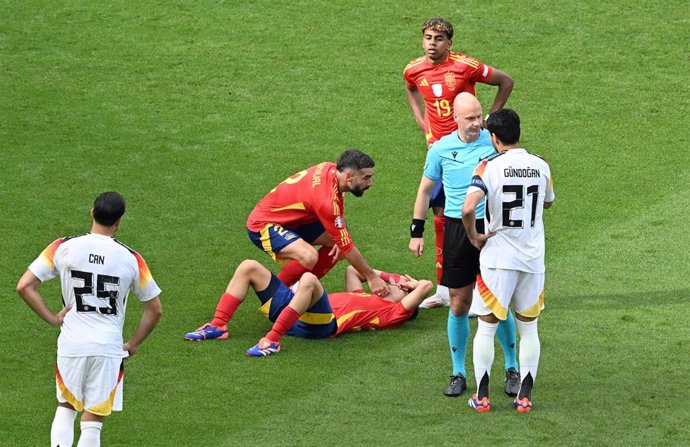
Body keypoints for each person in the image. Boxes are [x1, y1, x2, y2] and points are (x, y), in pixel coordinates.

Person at [16, 192, 163, 447]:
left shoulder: (63, 246)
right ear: (119, 221)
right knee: (93, 421)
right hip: (108, 348)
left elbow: (24, 286)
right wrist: (134, 344)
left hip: (72, 344)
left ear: (92, 213)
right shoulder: (132, 259)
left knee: (65, 407)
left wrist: (53, 318)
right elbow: (155, 310)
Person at [408, 92, 519, 398]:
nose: (476, 123)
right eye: (469, 118)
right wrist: (417, 231)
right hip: (458, 229)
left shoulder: (493, 142)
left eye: (478, 116)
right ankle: (458, 372)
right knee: (459, 303)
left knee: (498, 300)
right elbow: (425, 191)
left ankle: (512, 367)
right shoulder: (441, 150)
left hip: (491, 229)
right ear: (454, 118)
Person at [404, 17, 514, 308]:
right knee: (443, 218)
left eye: (438, 39)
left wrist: (489, 120)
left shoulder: (466, 66)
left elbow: (505, 81)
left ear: (449, 43)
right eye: (428, 37)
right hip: (442, 154)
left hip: (472, 151)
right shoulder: (414, 70)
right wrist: (422, 122)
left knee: (479, 213)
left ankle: (483, 286)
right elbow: (410, 88)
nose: (431, 43)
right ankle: (445, 286)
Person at [462, 109, 555, 413]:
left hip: (498, 260)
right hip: (532, 260)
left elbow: (467, 209)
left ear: (494, 137)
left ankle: (482, 396)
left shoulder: (487, 167)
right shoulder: (541, 165)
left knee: (487, 328)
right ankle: (524, 397)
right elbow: (548, 202)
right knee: (529, 329)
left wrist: (474, 235)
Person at [183, 261, 433, 355]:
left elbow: (427, 285)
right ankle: (218, 325)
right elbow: (351, 269)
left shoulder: (393, 314)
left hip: (322, 326)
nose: (396, 284)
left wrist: (409, 284)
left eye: (403, 289)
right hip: (297, 311)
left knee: (309, 280)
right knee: (249, 267)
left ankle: (272, 339)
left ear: (406, 304)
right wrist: (387, 277)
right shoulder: (361, 294)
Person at [245, 148, 389, 302]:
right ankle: (279, 297)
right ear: (348, 176)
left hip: (294, 219)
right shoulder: (326, 201)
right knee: (309, 256)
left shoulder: (330, 169)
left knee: (338, 244)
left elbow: (339, 224)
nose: (370, 183)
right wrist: (372, 277)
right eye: (366, 177)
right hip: (263, 225)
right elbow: (346, 244)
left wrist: (342, 239)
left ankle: (292, 288)